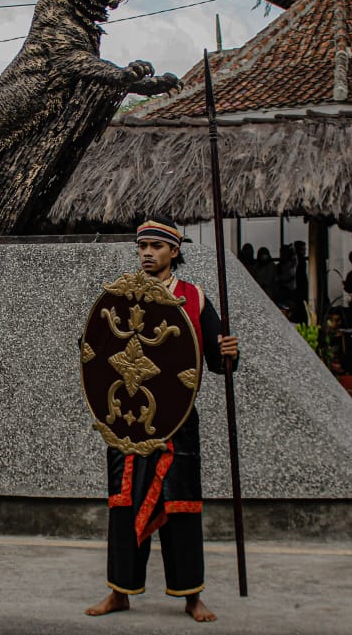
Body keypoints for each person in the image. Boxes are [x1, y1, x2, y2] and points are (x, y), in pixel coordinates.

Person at [85, 217, 239, 623]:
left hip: (176, 423)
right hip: (125, 424)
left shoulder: (194, 297)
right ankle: (119, 590)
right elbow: (97, 355)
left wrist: (228, 351)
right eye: (143, 247)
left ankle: (191, 595)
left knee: (182, 506)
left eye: (157, 246)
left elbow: (216, 362)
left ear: (174, 251)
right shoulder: (120, 296)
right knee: (122, 505)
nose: (148, 253)